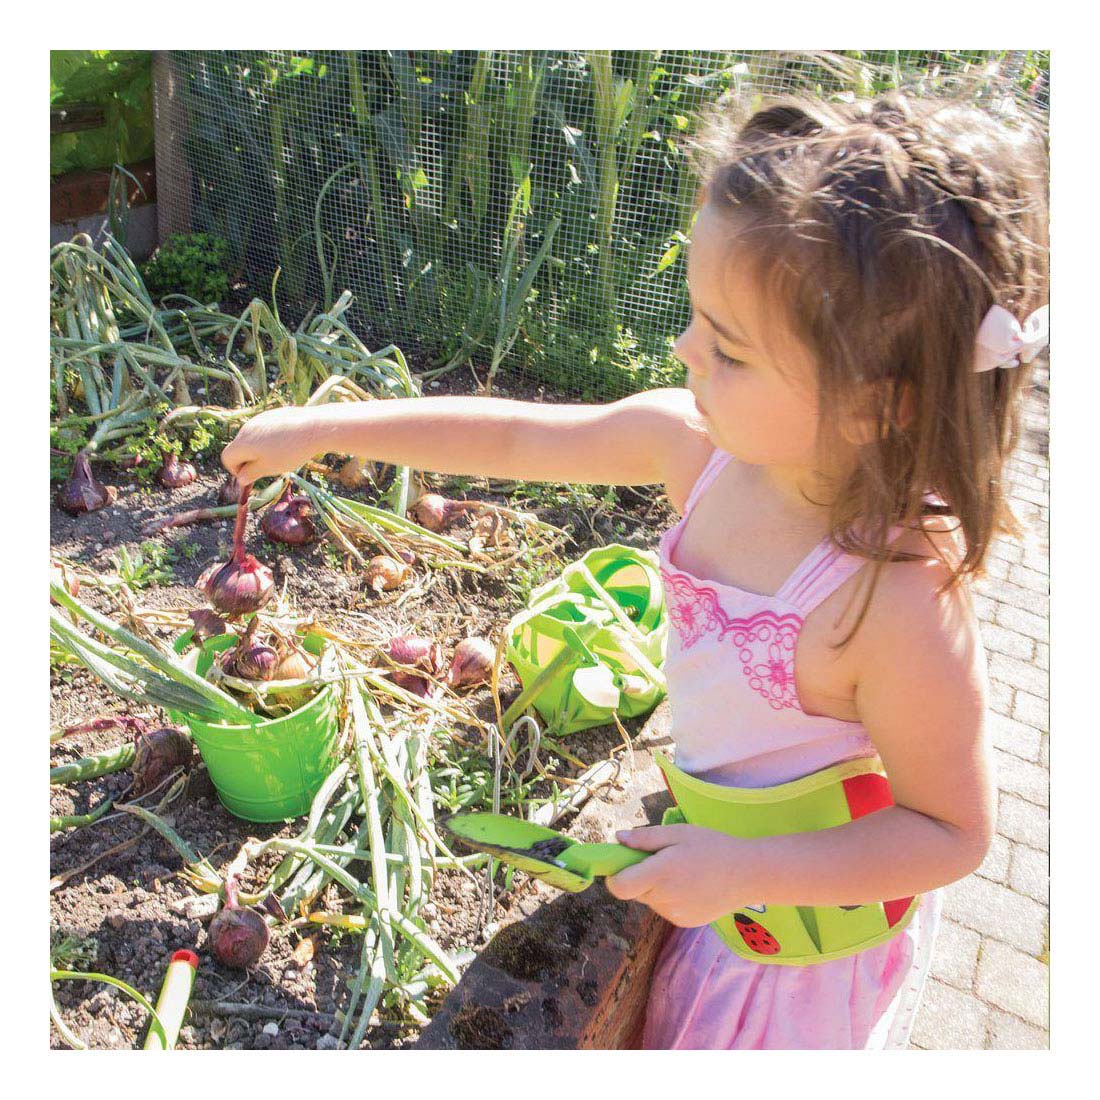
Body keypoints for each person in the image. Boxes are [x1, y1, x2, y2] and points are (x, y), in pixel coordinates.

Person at [221, 92, 1049, 1049]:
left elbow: (951, 833)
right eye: (698, 318)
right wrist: (327, 427)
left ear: (876, 404)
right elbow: (518, 437)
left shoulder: (894, 596)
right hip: (718, 886)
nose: (685, 350)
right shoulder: (696, 449)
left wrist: (744, 870)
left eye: (729, 349)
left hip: (793, 956)